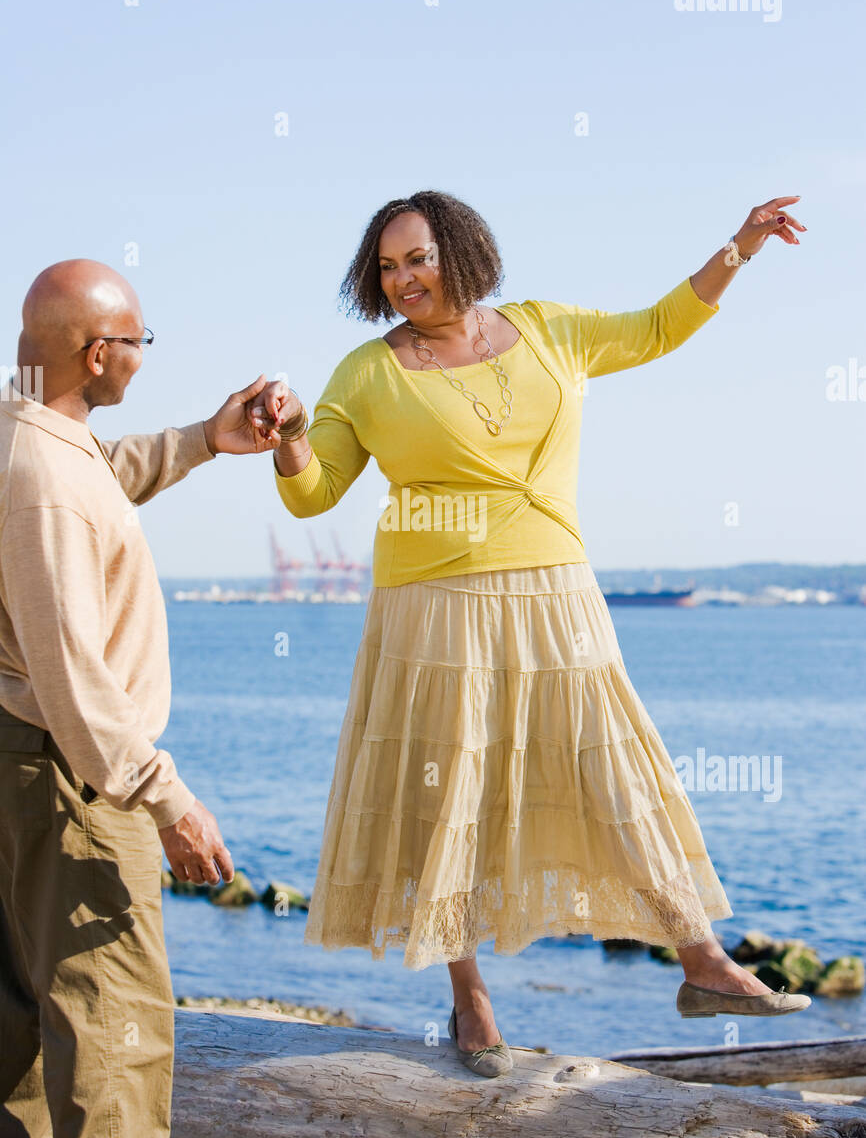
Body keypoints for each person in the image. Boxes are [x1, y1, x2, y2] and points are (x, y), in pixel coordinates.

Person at [249, 191, 810, 1078]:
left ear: (463, 251)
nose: (404, 280)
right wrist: (284, 440)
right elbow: (313, 493)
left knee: (614, 766)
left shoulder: (549, 328)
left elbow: (661, 326)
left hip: (557, 590)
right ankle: (470, 1001)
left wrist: (741, 246)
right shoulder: (367, 372)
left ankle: (701, 960)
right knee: (449, 795)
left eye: (419, 258)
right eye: (389, 267)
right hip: (431, 607)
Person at [0, 259, 277, 1138]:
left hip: (27, 763)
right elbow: (73, 673)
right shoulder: (43, 479)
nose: (142, 359)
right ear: (95, 354)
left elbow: (99, 473)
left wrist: (204, 438)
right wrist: (168, 799)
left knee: (23, 1027)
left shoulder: (28, 430)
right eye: (137, 342)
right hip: (73, 779)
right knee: (115, 1033)